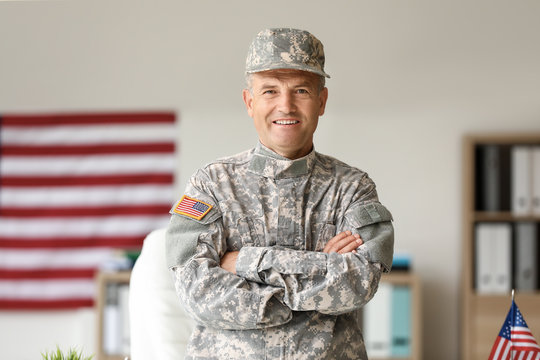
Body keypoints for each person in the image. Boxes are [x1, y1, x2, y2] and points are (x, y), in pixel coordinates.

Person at [165, 28, 394, 360]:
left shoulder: (354, 187)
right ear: (250, 102)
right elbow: (196, 292)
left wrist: (243, 261)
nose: (285, 105)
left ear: (322, 101)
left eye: (300, 90)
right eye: (270, 90)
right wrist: (322, 266)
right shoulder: (210, 184)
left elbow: (357, 285)